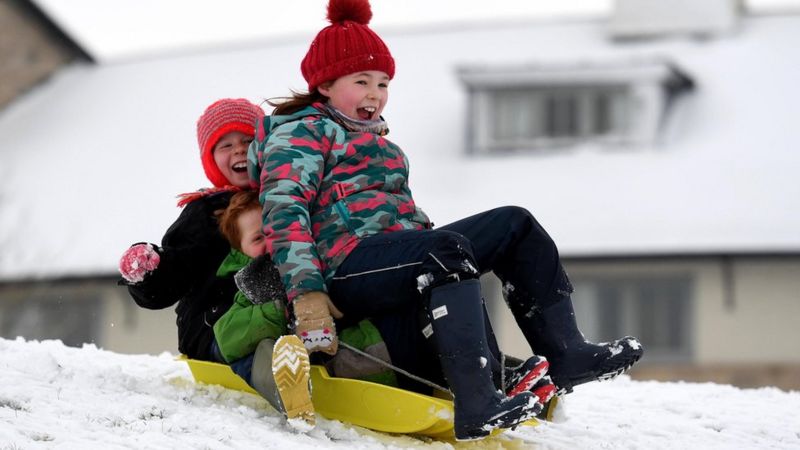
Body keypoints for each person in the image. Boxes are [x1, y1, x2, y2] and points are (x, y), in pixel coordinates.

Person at [246, 0, 594, 441]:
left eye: (383, 83)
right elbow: (284, 210)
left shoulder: (388, 150)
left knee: (514, 225)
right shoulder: (301, 134)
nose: (375, 93)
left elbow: (409, 224)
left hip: (394, 260)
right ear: (327, 85)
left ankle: (566, 353)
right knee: (446, 250)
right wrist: (308, 293)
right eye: (362, 81)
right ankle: (477, 401)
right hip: (343, 267)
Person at [210, 190, 398, 428]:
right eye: (258, 239)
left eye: (274, 231)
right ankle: (290, 391)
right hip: (313, 367)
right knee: (263, 348)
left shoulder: (320, 264)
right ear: (242, 250)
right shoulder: (253, 284)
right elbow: (227, 336)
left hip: (361, 356)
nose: (271, 242)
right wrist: (281, 312)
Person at [118, 98, 264, 362]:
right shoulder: (205, 213)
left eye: (248, 141)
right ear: (211, 159)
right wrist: (151, 272)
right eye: (226, 145)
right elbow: (180, 269)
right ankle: (271, 368)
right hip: (215, 325)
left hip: (279, 315)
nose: (240, 150)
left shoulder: (288, 198)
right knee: (253, 340)